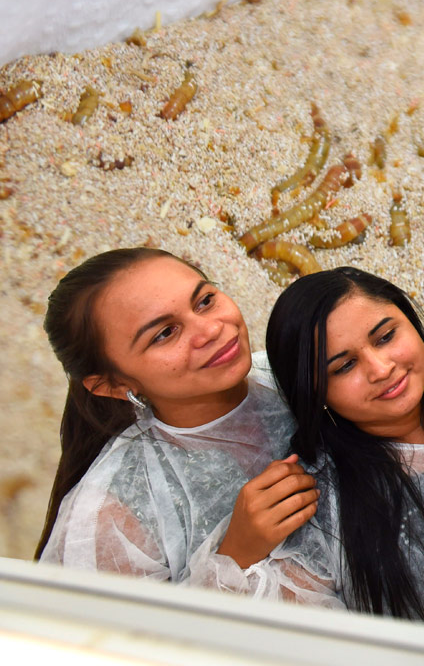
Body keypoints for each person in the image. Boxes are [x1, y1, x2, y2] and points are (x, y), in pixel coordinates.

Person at [193, 267, 424, 636]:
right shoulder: (320, 505)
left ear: (410, 320)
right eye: (344, 366)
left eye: (385, 336)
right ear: (316, 395)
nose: (380, 368)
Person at [37, 247, 314, 580]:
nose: (211, 330)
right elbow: (100, 631)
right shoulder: (109, 517)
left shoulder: (310, 372)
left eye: (205, 301)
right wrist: (234, 555)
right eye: (165, 333)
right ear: (111, 385)